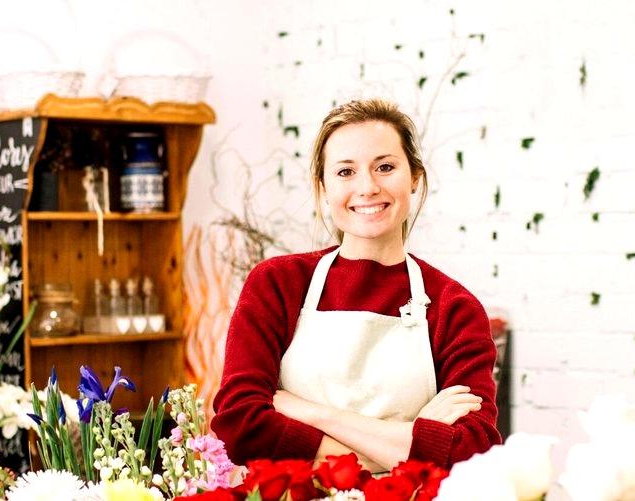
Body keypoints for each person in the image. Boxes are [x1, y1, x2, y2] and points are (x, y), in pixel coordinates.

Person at [211, 98, 503, 472]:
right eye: (345, 172)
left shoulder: (453, 307)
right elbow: (240, 426)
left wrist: (307, 412)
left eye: (385, 167)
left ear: (414, 177)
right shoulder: (277, 284)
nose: (367, 187)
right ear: (322, 189)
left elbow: (472, 451)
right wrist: (413, 436)